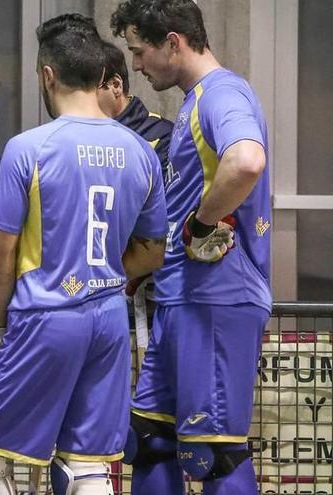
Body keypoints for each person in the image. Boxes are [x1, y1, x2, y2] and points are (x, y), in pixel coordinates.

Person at [0, 16, 167, 495]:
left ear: (47, 75)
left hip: (44, 317)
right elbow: (153, 250)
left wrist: (0, 325)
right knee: (86, 470)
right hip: (109, 321)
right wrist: (104, 277)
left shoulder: (29, 149)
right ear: (99, 74)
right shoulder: (141, 152)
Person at [110, 1, 272, 494]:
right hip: (182, 299)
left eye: (139, 52)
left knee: (213, 454)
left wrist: (202, 223)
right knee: (150, 438)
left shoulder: (221, 96)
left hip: (215, 300)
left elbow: (246, 161)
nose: (136, 65)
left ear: (173, 42)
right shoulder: (194, 101)